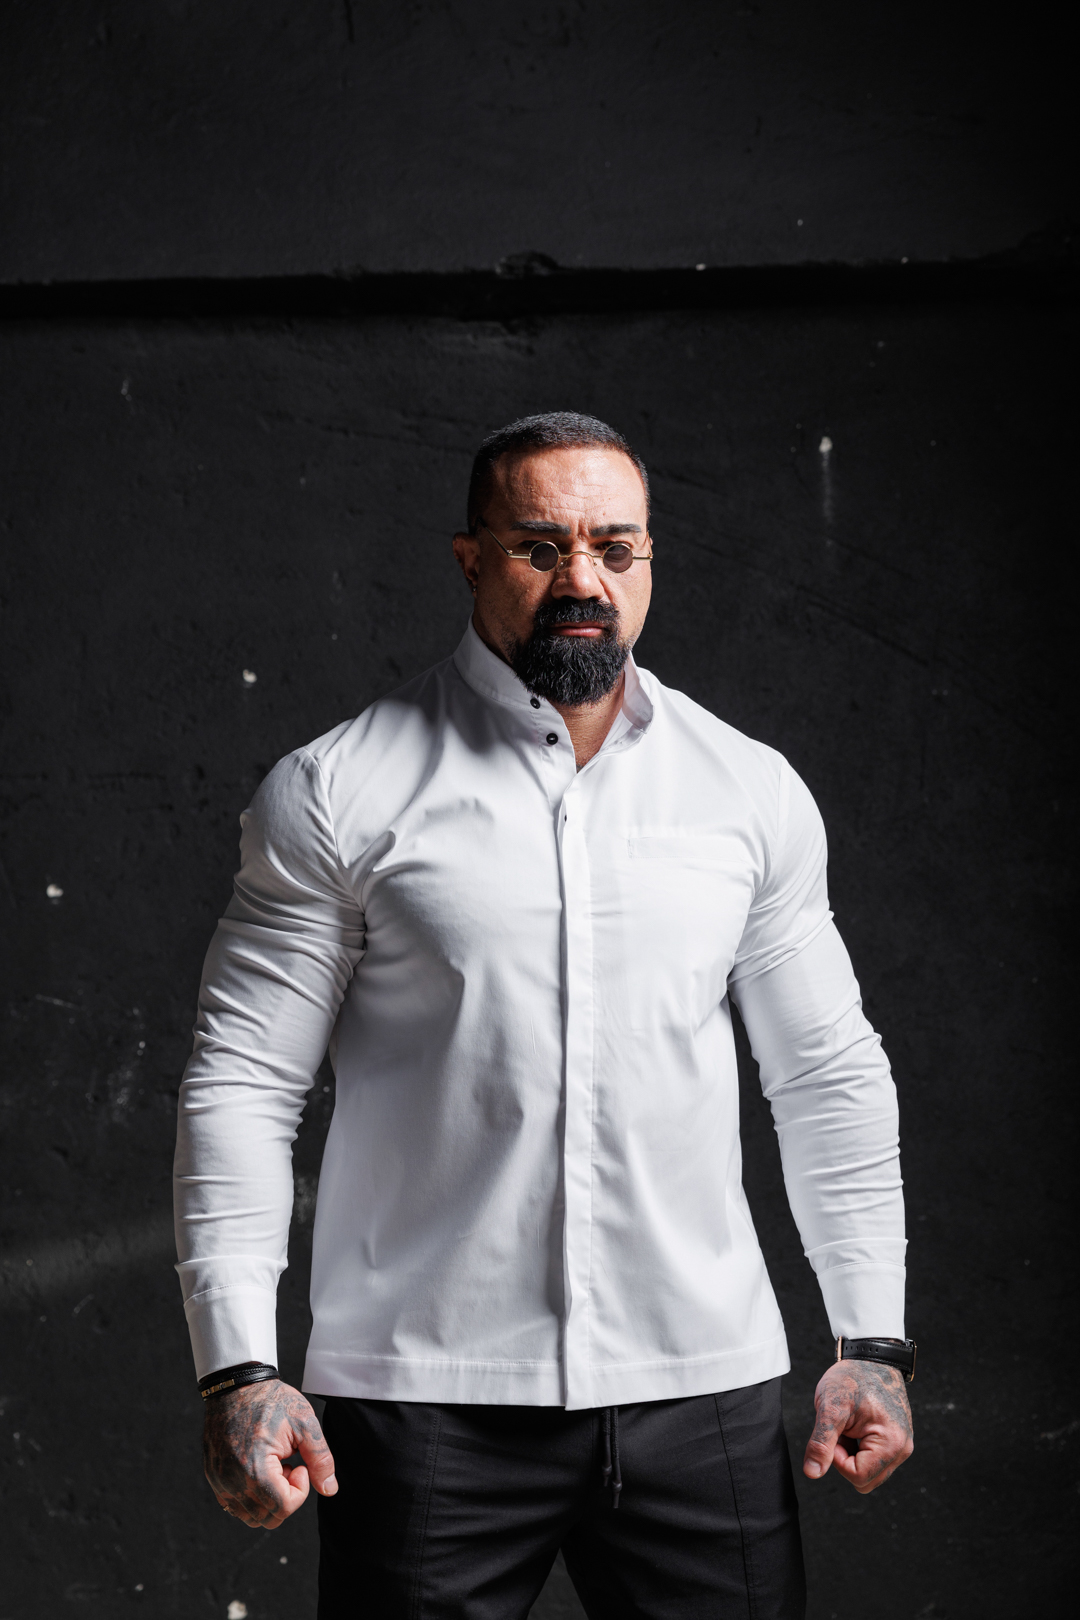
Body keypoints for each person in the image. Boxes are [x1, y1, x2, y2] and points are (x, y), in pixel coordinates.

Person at [174, 412, 914, 1619]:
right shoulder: (337, 790)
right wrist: (237, 1369)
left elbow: (826, 1070)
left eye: (615, 548)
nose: (584, 580)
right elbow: (244, 1085)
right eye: (539, 547)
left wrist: (871, 1341)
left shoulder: (747, 790)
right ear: (470, 559)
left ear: (649, 559)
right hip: (423, 1405)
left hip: (701, 1398)